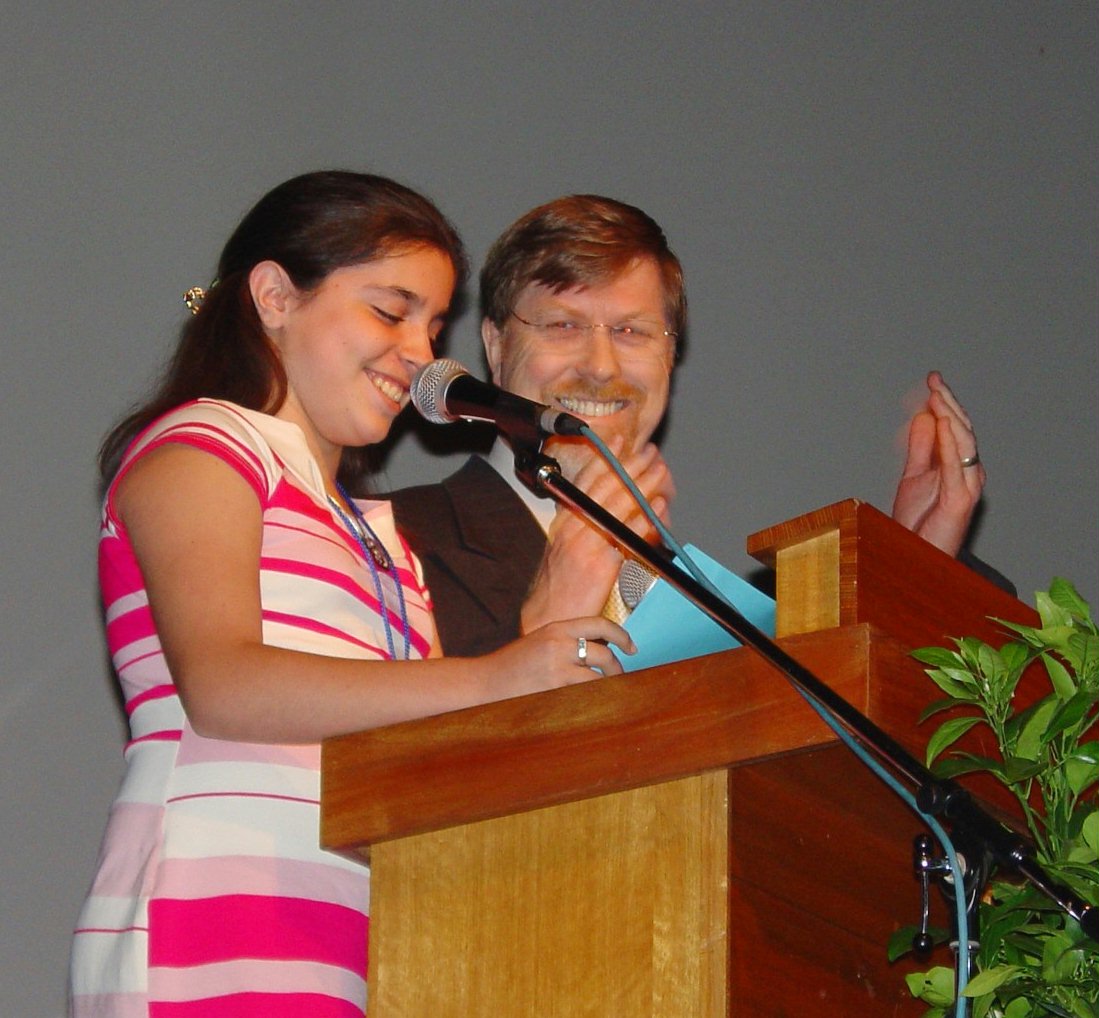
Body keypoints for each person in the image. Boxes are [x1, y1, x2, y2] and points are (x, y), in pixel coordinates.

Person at [70, 172, 631, 1017]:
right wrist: (494, 677)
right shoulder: (204, 444)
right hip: (218, 920)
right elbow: (224, 685)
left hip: (362, 939)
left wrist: (548, 627)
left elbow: (420, 758)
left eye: (434, 323)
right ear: (273, 295)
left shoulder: (378, 535)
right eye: (389, 309)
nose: (421, 353)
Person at [389, 194, 996, 658]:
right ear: (495, 344)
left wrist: (916, 571)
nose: (601, 367)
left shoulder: (711, 607)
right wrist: (545, 626)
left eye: (631, 332)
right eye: (563, 326)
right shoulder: (394, 543)